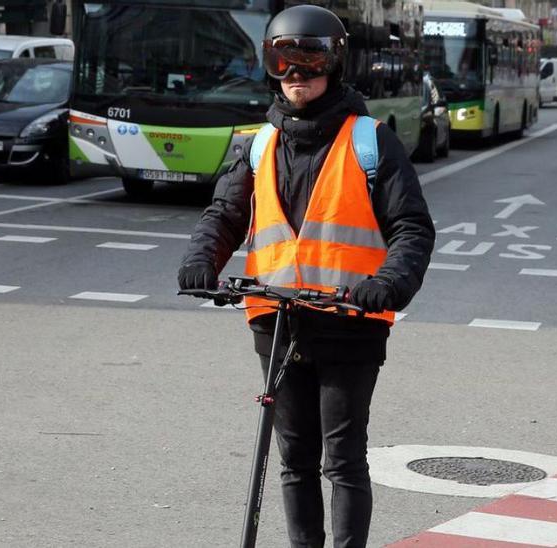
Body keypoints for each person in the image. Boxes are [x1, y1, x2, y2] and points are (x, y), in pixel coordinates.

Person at [177, 5, 435, 547]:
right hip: (276, 319)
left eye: (309, 60)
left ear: (335, 63)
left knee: (341, 460)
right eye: (282, 62)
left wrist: (387, 283)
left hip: (349, 321)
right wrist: (203, 259)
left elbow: (412, 228)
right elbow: (224, 214)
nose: (296, 76)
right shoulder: (259, 144)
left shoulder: (370, 141)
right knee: (294, 458)